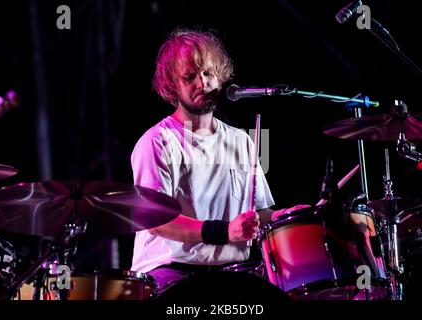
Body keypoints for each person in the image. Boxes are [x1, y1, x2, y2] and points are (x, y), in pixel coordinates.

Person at [130, 28, 307, 296]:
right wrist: (224, 232)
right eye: (189, 77)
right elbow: (156, 221)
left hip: (230, 270)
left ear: (220, 77)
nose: (202, 84)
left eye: (208, 74)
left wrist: (287, 218)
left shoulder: (243, 141)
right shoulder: (155, 142)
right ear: (171, 86)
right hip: (169, 271)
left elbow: (257, 213)